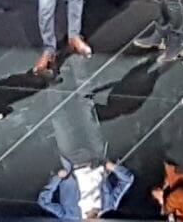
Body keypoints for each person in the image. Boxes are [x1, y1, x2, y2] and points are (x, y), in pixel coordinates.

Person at [39, 90, 133, 218]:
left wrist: (58, 178)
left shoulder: (70, 215)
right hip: (96, 157)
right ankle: (82, 85)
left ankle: (52, 88)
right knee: (87, 114)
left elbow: (44, 201)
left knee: (60, 121)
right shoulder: (109, 204)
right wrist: (113, 167)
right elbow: (127, 179)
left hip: (72, 161)